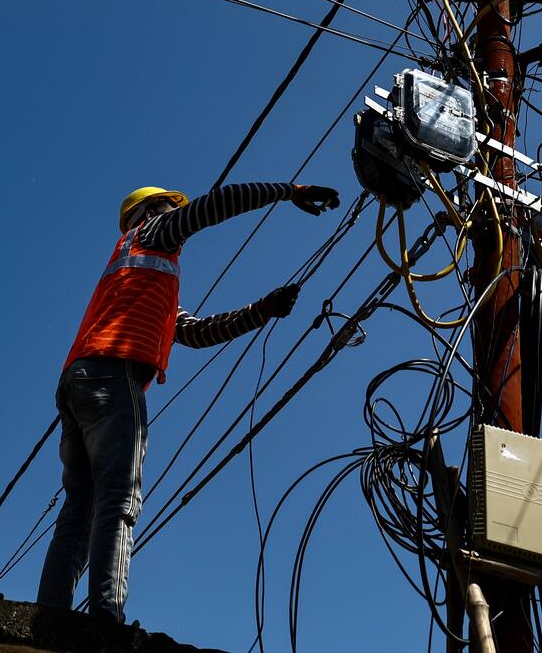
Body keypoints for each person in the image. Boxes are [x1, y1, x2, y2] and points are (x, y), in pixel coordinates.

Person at [36, 181, 340, 622]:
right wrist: (287, 191)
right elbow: (211, 207)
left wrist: (262, 310)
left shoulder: (140, 273)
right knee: (120, 498)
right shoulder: (153, 233)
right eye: (165, 205)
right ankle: (106, 621)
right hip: (113, 375)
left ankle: (50, 618)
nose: (172, 211)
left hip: (79, 382)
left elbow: (195, 332)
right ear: (151, 210)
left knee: (79, 511)